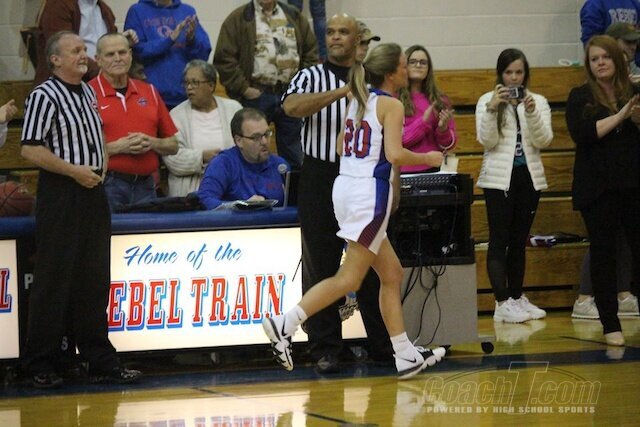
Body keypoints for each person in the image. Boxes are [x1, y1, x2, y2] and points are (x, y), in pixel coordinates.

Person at [263, 42, 446, 380]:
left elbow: (338, 146)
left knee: (391, 274)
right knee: (349, 278)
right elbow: (394, 154)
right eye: (403, 65)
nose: (406, 69)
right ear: (390, 73)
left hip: (345, 189)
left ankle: (404, 354)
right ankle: (284, 323)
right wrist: (429, 158)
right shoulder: (390, 105)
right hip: (367, 196)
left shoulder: (358, 100)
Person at [20, 31, 142, 388]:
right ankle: (39, 362)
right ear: (55, 60)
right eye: (75, 50)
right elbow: (29, 149)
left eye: (84, 49)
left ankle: (98, 359)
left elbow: (94, 139)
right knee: (54, 280)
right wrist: (75, 171)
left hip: (93, 191)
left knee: (94, 279)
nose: (83, 55)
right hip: (62, 193)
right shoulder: (44, 95)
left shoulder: (88, 92)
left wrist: (101, 164)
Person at [281, 14, 393, 374]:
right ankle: (326, 348)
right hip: (321, 174)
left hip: (364, 177)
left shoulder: (372, 78)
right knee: (321, 262)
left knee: (371, 262)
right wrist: (341, 93)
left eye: (343, 32)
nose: (335, 37)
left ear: (358, 39)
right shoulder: (310, 75)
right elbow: (290, 107)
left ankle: (383, 344)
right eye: (330, 32)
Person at [565, 34, 640, 346]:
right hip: (597, 188)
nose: (600, 63)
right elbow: (583, 134)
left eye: (605, 57)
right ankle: (610, 323)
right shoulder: (580, 95)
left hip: (633, 183)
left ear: (617, 59)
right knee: (604, 254)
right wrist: (621, 115)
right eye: (594, 59)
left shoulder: (633, 91)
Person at [475, 48, 553, 324]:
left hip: (528, 178)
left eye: (519, 72)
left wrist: (531, 112)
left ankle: (517, 297)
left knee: (519, 241)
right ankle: (501, 301)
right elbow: (486, 141)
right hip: (498, 180)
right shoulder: (487, 100)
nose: (514, 78)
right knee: (500, 239)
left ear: (525, 74)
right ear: (501, 74)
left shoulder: (538, 101)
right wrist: (492, 108)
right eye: (508, 72)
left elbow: (544, 140)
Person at [213, 0, 318, 170]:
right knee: (252, 150)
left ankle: (291, 186)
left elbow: (311, 52)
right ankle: (252, 186)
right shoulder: (239, 18)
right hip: (256, 94)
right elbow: (224, 58)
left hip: (290, 95)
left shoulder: (293, 15)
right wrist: (244, 89)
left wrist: (302, 86)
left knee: (294, 153)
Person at [89, 33, 179, 212]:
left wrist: (152, 142)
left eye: (122, 52)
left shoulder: (149, 91)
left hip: (147, 184)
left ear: (130, 55)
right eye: (110, 54)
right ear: (98, 60)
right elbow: (77, 152)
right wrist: (118, 147)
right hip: (106, 183)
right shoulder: (86, 94)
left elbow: (174, 145)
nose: (118, 58)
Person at [163, 60, 243, 197]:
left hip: (232, 185)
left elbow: (247, 144)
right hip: (191, 190)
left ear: (211, 85)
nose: (189, 87)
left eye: (195, 82)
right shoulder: (176, 115)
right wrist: (202, 157)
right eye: (186, 83)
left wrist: (225, 162)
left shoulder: (233, 109)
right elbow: (172, 158)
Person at [124, 0, 212, 110]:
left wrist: (191, 40)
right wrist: (170, 39)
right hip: (151, 97)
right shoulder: (137, 11)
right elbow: (137, 51)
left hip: (186, 96)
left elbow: (203, 55)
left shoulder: (187, 11)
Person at [197, 108, 288, 210]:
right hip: (235, 220)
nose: (264, 142)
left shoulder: (280, 166)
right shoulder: (223, 164)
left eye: (267, 134)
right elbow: (205, 199)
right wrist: (239, 206)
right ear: (239, 141)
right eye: (256, 137)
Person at [33, 0, 138, 86]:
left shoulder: (103, 8)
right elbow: (63, 50)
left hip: (101, 81)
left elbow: (105, 43)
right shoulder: (58, 5)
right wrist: (102, 72)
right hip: (65, 85)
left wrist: (121, 41)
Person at [398, 44, 456, 173]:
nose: (418, 65)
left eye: (423, 63)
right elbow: (397, 141)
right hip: (403, 170)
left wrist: (443, 129)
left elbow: (449, 145)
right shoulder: (394, 99)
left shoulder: (440, 100)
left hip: (434, 168)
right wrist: (423, 123)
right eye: (413, 62)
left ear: (429, 68)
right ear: (404, 66)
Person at [580, 0, 640, 66]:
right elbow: (592, 43)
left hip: (631, 66)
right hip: (607, 64)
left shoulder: (634, 3)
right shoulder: (594, 5)